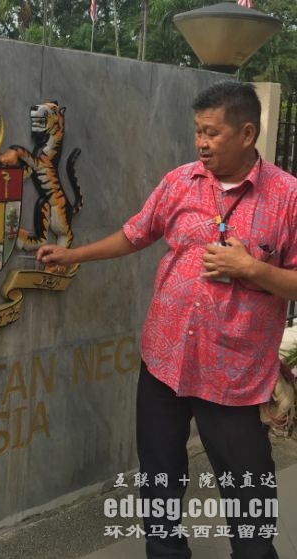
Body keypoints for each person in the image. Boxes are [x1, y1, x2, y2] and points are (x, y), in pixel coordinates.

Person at [37, 81, 297, 559]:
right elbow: (136, 233)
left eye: (212, 132)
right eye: (197, 131)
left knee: (248, 491)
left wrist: (251, 269)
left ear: (247, 133)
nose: (201, 142)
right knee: (159, 475)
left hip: (232, 373)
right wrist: (73, 255)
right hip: (164, 360)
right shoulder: (180, 181)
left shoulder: (286, 197)